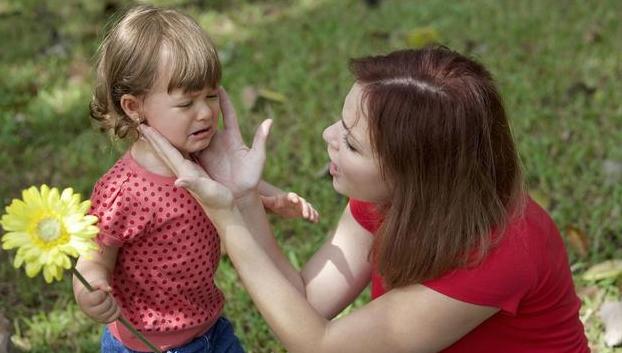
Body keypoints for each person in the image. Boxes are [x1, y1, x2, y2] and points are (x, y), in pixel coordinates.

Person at [140, 46, 591, 352]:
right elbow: (307, 306)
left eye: (352, 144)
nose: (327, 137)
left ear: (416, 174)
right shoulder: (392, 198)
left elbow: (319, 345)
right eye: (340, 123)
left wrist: (227, 221)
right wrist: (241, 198)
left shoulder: (501, 250)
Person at [72, 5, 317, 353]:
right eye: (186, 104)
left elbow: (231, 189)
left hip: (212, 328)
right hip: (147, 345)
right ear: (133, 107)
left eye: (211, 96)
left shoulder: (202, 155)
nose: (205, 113)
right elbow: (94, 256)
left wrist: (274, 198)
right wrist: (90, 288)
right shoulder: (122, 191)